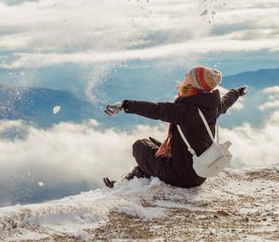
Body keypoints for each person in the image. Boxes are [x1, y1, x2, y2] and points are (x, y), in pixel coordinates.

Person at [103, 66, 248, 188]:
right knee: (156, 148)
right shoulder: (212, 106)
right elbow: (226, 101)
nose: (185, 77)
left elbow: (156, 109)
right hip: (200, 173)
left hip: (181, 176)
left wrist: (125, 104)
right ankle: (135, 178)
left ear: (194, 85)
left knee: (140, 146)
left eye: (188, 78)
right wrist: (237, 92)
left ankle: (126, 184)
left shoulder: (186, 110)